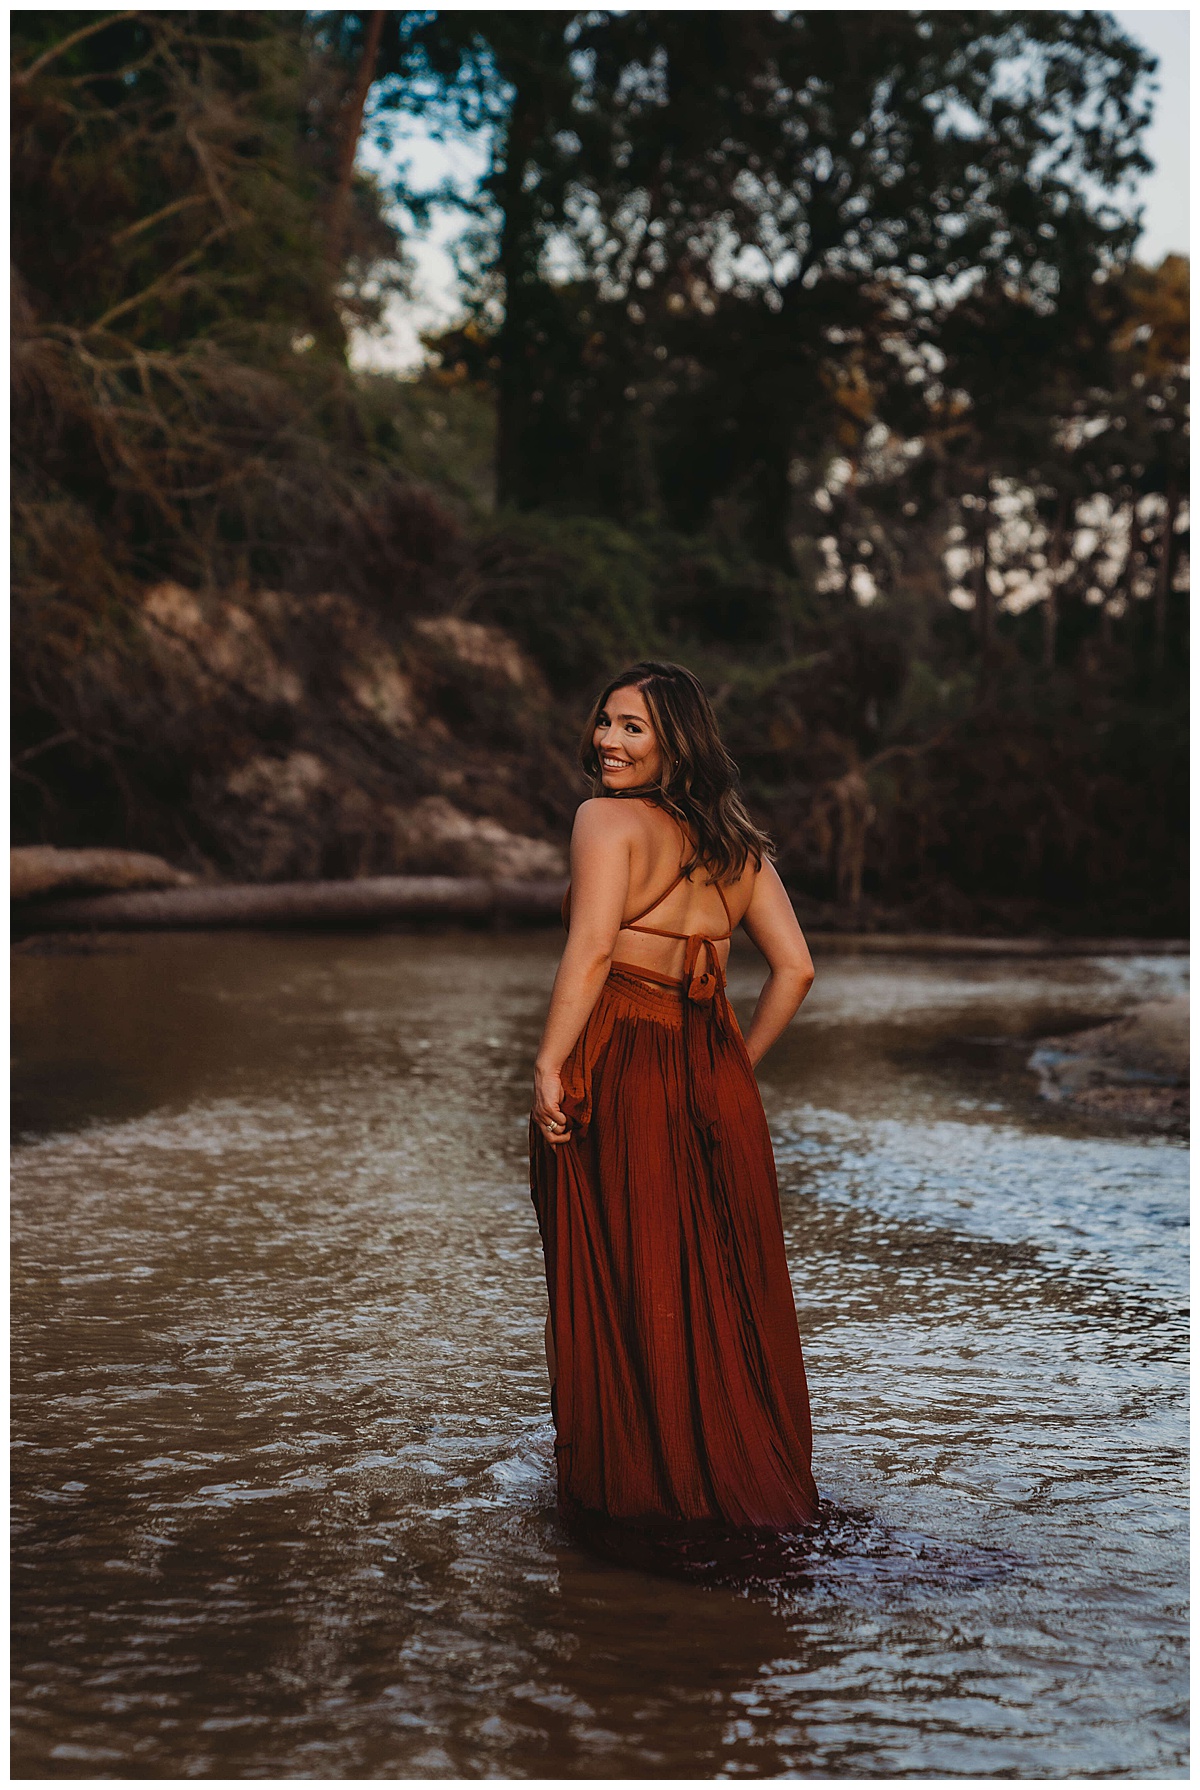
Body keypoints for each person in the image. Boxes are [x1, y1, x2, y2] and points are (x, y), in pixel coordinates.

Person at [529, 660, 820, 1571]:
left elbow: (588, 954)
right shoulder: (739, 844)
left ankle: (642, 1487)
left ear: (674, 743)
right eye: (606, 721)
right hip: (710, 1067)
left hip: (620, 1049)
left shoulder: (602, 820)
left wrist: (548, 1060)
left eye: (633, 730)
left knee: (625, 1265)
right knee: (714, 1274)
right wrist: (731, 1065)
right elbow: (796, 970)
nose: (608, 742)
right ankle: (732, 1474)